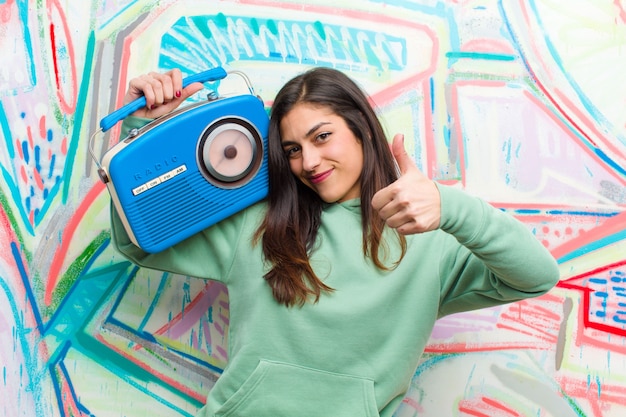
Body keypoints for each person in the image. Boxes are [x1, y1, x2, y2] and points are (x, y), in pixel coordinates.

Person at [110, 67, 560, 416]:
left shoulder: (431, 239)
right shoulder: (257, 221)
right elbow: (139, 243)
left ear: (362, 129)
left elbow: (537, 276)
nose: (308, 161)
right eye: (292, 149)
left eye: (322, 137)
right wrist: (142, 135)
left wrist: (450, 206)